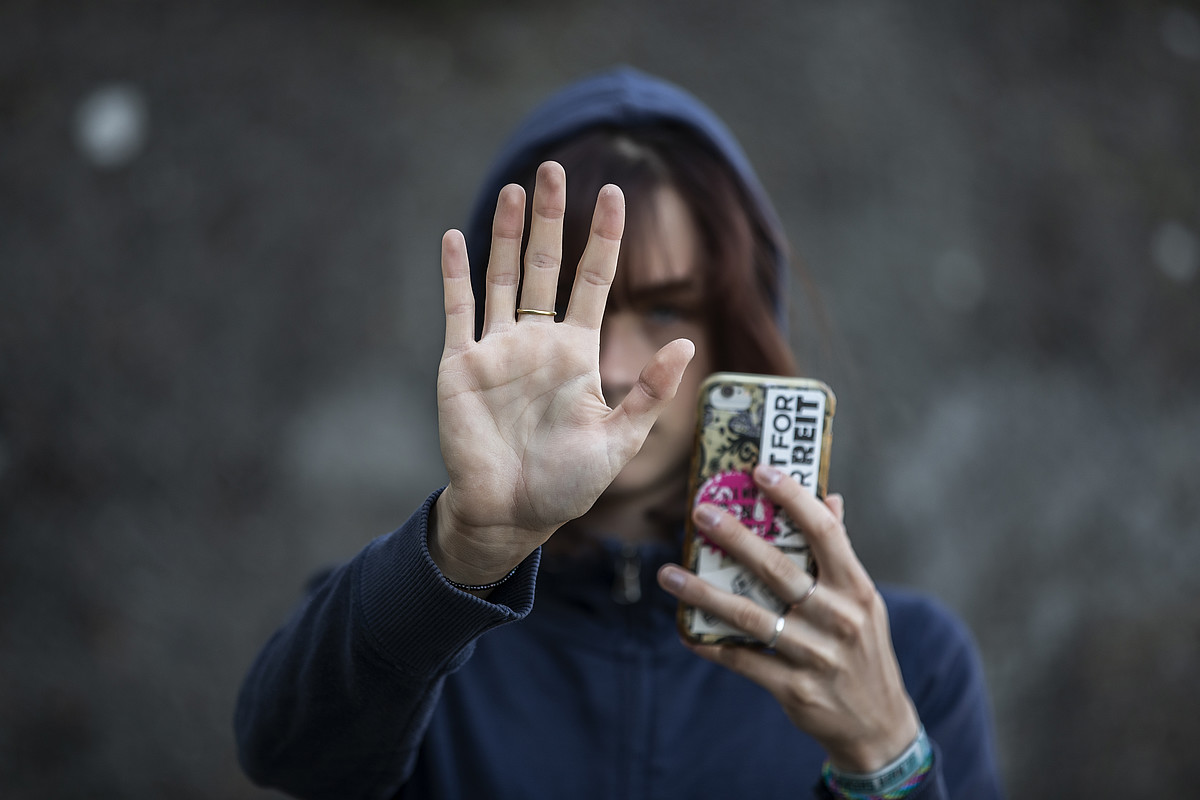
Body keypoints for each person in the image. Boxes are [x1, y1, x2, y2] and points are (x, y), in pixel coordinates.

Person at [235, 67, 1003, 800]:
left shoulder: (911, 663)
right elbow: (286, 756)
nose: (606, 364)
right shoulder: (403, 625)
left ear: (733, 338)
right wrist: (466, 552)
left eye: (666, 311)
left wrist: (886, 762)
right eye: (572, 309)